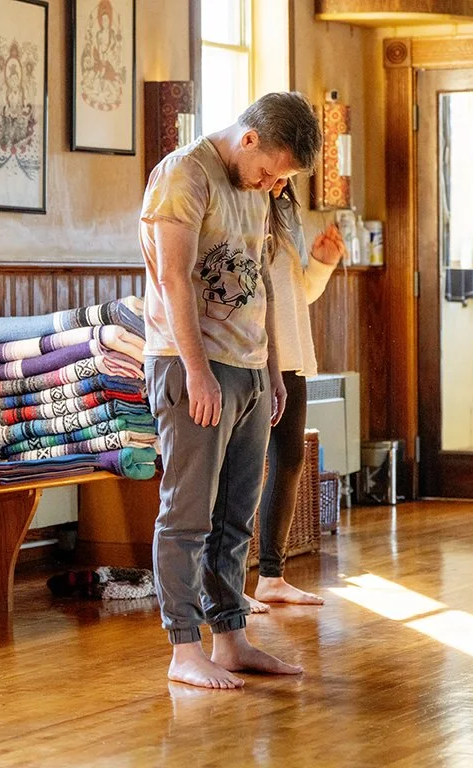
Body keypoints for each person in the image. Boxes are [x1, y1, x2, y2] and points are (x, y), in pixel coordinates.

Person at [140, 91, 323, 689]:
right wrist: (197, 372)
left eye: (282, 178)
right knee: (188, 514)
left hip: (249, 368)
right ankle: (184, 649)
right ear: (248, 139)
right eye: (271, 171)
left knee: (234, 518)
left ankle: (231, 640)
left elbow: (261, 278)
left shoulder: (257, 188)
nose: (273, 185)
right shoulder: (184, 175)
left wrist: (271, 366)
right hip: (190, 364)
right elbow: (173, 278)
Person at [246, 178, 346, 613]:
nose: (283, 179)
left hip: (289, 354)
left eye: (291, 172)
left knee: (289, 461)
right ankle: (226, 584)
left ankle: (271, 577)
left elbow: (296, 293)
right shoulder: (235, 204)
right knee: (240, 470)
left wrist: (321, 264)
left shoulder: (286, 212)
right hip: (247, 356)